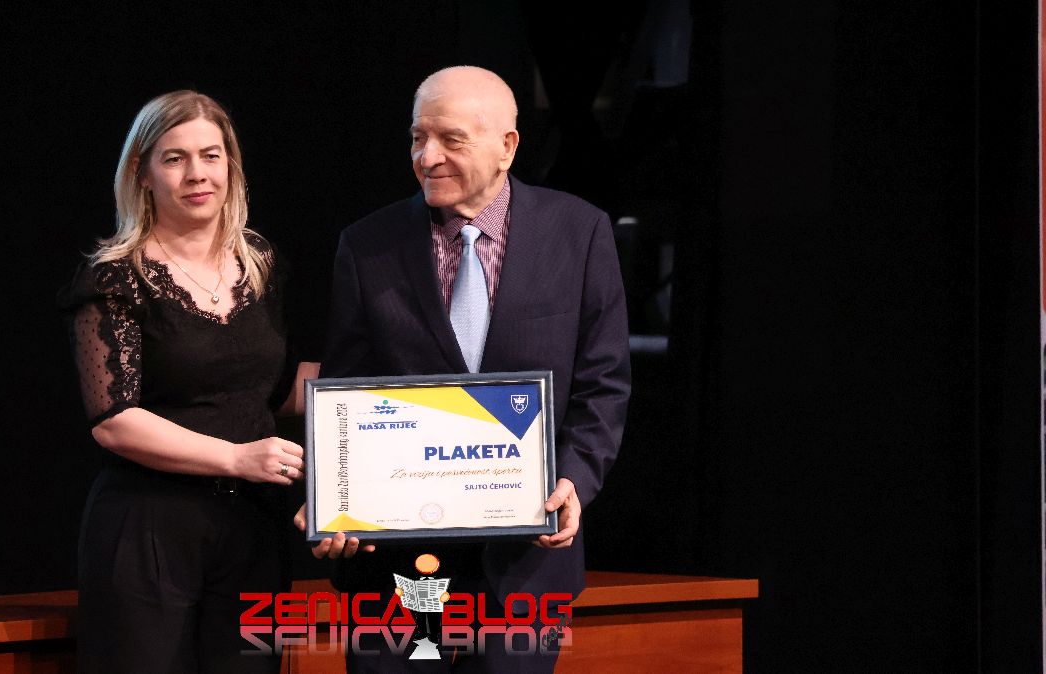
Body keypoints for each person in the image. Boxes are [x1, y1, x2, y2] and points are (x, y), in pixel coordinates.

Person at [296, 66, 631, 672]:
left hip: (525, 564)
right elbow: (348, 393)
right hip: (394, 571)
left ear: (507, 146)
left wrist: (575, 480)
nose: (428, 157)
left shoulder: (579, 232)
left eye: (451, 139)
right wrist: (335, 499)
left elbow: (603, 384)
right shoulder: (368, 245)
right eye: (417, 138)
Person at [61, 90, 313, 673]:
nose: (197, 174)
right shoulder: (114, 278)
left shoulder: (260, 262)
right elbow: (114, 421)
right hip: (150, 528)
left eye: (210, 155)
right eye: (174, 159)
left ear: (231, 165)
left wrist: (386, 391)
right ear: (142, 173)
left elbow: (272, 390)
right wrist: (235, 458)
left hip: (253, 525)